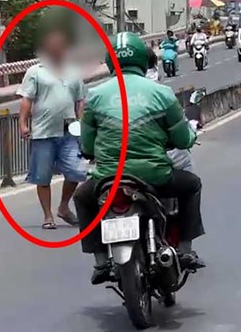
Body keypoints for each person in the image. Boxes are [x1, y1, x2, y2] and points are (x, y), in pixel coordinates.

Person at [74, 32, 204, 285]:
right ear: (143, 60)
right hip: (154, 176)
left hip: (108, 178)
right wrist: (188, 135)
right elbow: (182, 140)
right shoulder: (162, 93)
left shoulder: (95, 96)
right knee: (192, 184)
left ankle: (100, 262)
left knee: (81, 197)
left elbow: (87, 145)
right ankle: (185, 250)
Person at [17, 19, 86, 230]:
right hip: (43, 132)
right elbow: (27, 99)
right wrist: (23, 123)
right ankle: (48, 216)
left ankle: (63, 207)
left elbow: (80, 100)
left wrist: (81, 124)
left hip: (69, 131)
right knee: (43, 176)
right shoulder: (36, 71)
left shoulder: (74, 71)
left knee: (77, 171)